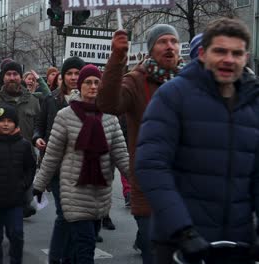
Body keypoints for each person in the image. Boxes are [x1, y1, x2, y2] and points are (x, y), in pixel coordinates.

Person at [135, 18, 259, 264]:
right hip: (182, 243)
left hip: (238, 243)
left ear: (245, 57)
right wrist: (182, 230)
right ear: (202, 54)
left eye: (236, 53)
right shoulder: (172, 96)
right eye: (220, 51)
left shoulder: (254, 103)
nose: (228, 59)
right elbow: (152, 165)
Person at [96, 24, 183, 264]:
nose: (169, 46)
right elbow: (108, 104)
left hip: (186, 188)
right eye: (162, 41)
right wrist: (117, 58)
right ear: (151, 49)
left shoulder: (190, 80)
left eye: (173, 41)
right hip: (149, 190)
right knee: (154, 255)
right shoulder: (135, 81)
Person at [33, 64, 129, 264]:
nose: (93, 86)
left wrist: (140, 182)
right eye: (88, 82)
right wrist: (38, 185)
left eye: (96, 82)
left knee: (83, 246)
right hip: (74, 192)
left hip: (100, 194)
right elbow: (52, 156)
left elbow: (121, 155)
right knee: (85, 249)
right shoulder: (65, 116)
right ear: (80, 86)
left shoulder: (110, 117)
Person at [32, 56, 85, 264]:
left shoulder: (89, 100)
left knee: (76, 217)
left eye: (77, 74)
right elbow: (39, 124)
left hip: (80, 167)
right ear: (62, 77)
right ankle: (56, 258)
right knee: (65, 215)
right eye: (69, 73)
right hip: (55, 166)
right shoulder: (51, 99)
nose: (73, 77)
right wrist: (37, 138)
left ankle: (69, 257)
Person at [0, 60, 41, 218]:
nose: (12, 77)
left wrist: (38, 139)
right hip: (0, 163)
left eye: (15, 74)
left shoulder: (33, 101)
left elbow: (38, 128)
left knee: (18, 213)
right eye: (8, 74)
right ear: (3, 77)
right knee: (3, 211)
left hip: (25, 161)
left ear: (21, 77)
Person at [0, 105, 35, 264]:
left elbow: (30, 168)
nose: (6, 124)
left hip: (16, 200)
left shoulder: (24, 145)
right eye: (2, 121)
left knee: (17, 234)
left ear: (16, 124)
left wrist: (23, 185)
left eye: (10, 121)